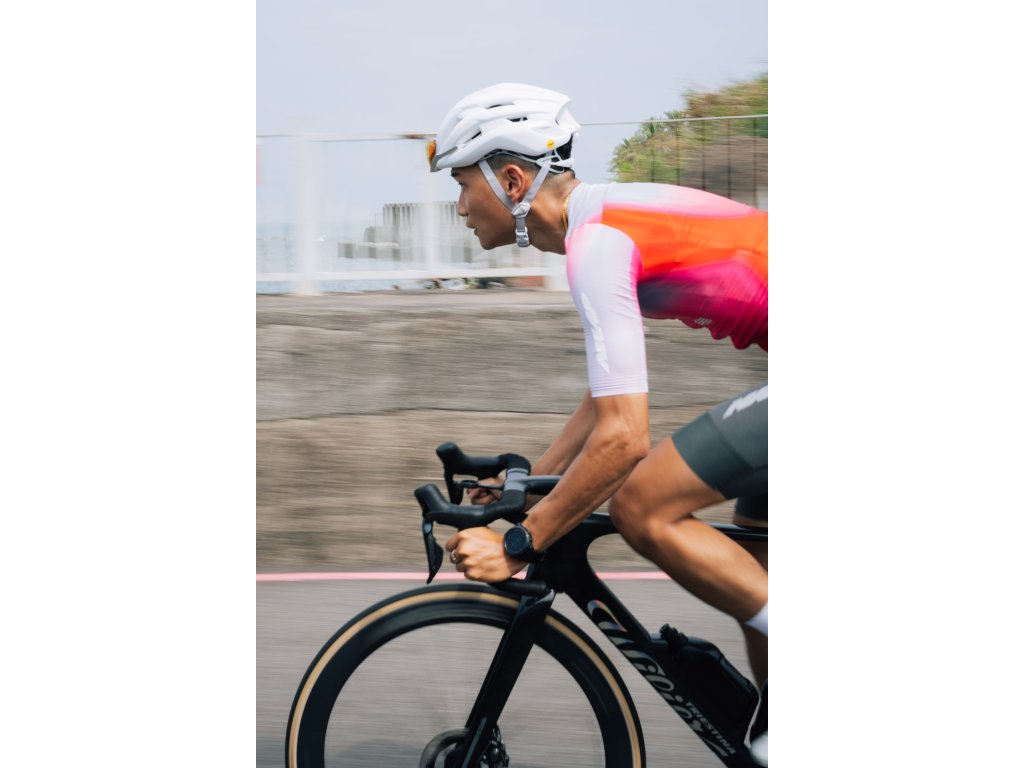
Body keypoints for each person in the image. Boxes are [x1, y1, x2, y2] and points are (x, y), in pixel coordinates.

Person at [432, 83, 768, 765]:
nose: (460, 206)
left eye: (464, 186)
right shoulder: (602, 224)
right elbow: (602, 400)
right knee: (757, 561)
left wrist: (522, 542)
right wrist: (530, 484)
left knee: (642, 504)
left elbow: (624, 438)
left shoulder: (598, 242)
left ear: (513, 181)